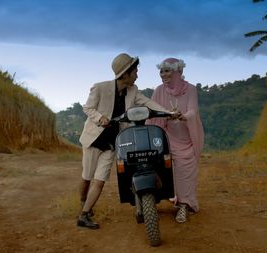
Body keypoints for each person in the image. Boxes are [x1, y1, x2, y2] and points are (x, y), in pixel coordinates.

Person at [77, 53, 171, 229]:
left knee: (100, 179)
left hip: (113, 142)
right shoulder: (100, 88)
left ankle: (83, 215)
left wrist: (169, 113)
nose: (137, 74)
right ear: (125, 73)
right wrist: (100, 118)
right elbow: (87, 107)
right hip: (94, 139)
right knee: (87, 177)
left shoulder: (133, 90)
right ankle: (83, 203)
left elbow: (148, 102)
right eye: (135, 71)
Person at [146, 58, 204, 223]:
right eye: (161, 71)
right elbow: (152, 111)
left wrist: (182, 116)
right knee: (155, 164)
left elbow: (193, 110)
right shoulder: (159, 90)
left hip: (185, 138)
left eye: (167, 71)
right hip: (165, 136)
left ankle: (184, 206)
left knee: (185, 172)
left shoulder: (191, 89)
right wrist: (163, 116)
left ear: (177, 72)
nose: (163, 75)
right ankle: (150, 203)